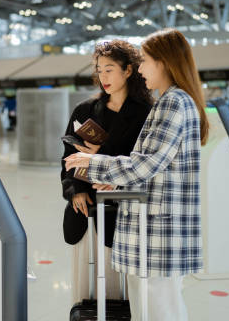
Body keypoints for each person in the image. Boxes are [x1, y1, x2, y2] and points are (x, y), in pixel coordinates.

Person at [65, 28, 209, 321]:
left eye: (144, 61)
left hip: (157, 233)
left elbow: (145, 164)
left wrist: (93, 163)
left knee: (158, 310)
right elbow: (152, 169)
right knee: (152, 309)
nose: (140, 68)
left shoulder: (172, 103)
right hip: (154, 230)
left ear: (164, 62)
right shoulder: (174, 101)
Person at [61, 39, 152, 304]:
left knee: (118, 285)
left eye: (109, 69)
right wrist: (74, 190)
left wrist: (110, 172)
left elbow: (143, 163)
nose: (103, 76)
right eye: (99, 70)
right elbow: (68, 156)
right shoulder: (85, 110)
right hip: (85, 209)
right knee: (85, 285)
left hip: (124, 213)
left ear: (128, 71)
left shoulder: (145, 114)